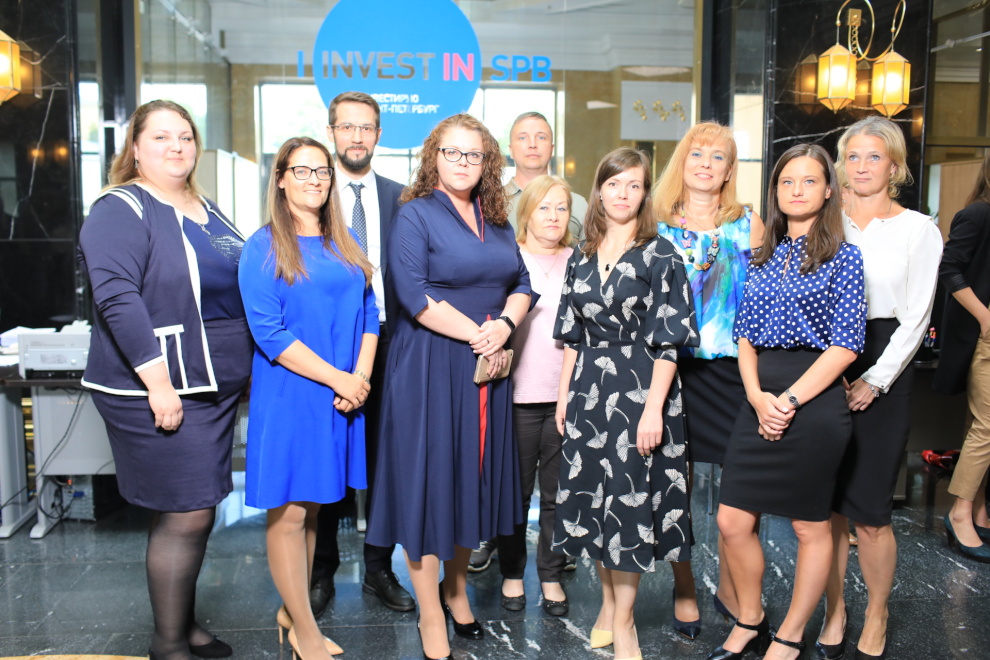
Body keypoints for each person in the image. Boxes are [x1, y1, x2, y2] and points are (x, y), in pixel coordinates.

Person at [77, 100, 252, 660]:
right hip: (162, 385)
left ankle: (182, 621)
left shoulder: (205, 206)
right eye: (161, 137)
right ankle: (169, 644)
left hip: (211, 385)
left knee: (193, 508)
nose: (176, 146)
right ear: (134, 147)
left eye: (185, 136)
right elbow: (117, 299)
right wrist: (158, 384)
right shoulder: (120, 208)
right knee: (186, 511)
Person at [365, 113, 532, 660]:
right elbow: (413, 295)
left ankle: (456, 591)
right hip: (432, 366)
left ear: (487, 162)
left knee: (471, 482)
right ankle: (430, 613)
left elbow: (522, 282)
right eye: (452, 152)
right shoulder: (414, 214)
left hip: (486, 367)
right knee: (430, 484)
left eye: (473, 154)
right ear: (433, 156)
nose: (462, 162)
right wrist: (482, 335)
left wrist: (503, 325)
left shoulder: (496, 218)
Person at [710, 143, 866, 660]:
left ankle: (791, 635)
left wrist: (789, 401)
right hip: (758, 393)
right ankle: (750, 618)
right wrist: (758, 398)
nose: (797, 190)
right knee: (732, 520)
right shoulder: (763, 257)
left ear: (829, 190)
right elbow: (744, 337)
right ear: (775, 191)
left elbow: (847, 345)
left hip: (815, 397)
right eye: (786, 182)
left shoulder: (845, 257)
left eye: (809, 180)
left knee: (808, 524)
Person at [553, 147, 698, 660]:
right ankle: (609, 607)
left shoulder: (661, 254)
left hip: (641, 387)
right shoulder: (581, 254)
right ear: (599, 191)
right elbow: (572, 336)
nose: (623, 193)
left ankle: (625, 622)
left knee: (629, 503)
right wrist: (564, 397)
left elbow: (670, 342)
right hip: (589, 390)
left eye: (634, 185)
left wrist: (654, 408)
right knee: (594, 502)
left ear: (644, 193)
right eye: (614, 184)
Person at [238, 136, 379, 660]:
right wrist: (340, 379)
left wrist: (359, 377)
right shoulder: (263, 246)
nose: (314, 179)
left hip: (342, 394)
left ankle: (294, 614)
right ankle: (305, 628)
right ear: (280, 178)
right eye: (301, 170)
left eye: (322, 170)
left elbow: (369, 312)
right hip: (293, 395)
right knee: (291, 513)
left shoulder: (345, 241)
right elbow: (269, 334)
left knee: (315, 508)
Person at [818, 117, 943, 660]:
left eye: (875, 156)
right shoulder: (825, 220)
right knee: (824, 510)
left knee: (869, 513)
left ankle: (876, 612)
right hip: (824, 359)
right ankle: (834, 608)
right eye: (853, 156)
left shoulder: (917, 229)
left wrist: (875, 378)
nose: (862, 166)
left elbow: (916, 317)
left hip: (886, 356)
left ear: (894, 166)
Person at [654, 121, 764, 635]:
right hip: (671, 371)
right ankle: (685, 587)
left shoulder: (749, 224)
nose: (705, 164)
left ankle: (733, 586)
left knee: (741, 492)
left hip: (734, 372)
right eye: (697, 153)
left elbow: (765, 301)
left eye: (717, 157)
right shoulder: (656, 224)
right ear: (683, 161)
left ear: (729, 170)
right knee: (675, 487)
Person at [309, 91, 414, 617]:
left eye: (366, 127)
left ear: (378, 134)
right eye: (346, 127)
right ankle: (320, 570)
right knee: (329, 455)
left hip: (393, 343)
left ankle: (378, 568)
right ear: (331, 132)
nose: (356, 136)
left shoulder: (403, 198)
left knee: (385, 459)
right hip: (329, 344)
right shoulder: (313, 193)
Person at [495, 175, 574, 616]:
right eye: (544, 207)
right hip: (517, 396)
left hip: (566, 397)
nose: (553, 216)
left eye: (561, 207)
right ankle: (511, 572)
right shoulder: (508, 258)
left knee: (558, 495)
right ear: (526, 212)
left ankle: (550, 574)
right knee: (515, 493)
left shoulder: (580, 261)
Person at [935, 150, 990, 565]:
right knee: (987, 427)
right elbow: (949, 270)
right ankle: (959, 512)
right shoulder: (977, 213)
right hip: (984, 337)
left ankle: (979, 510)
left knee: (979, 425)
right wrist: (986, 318)